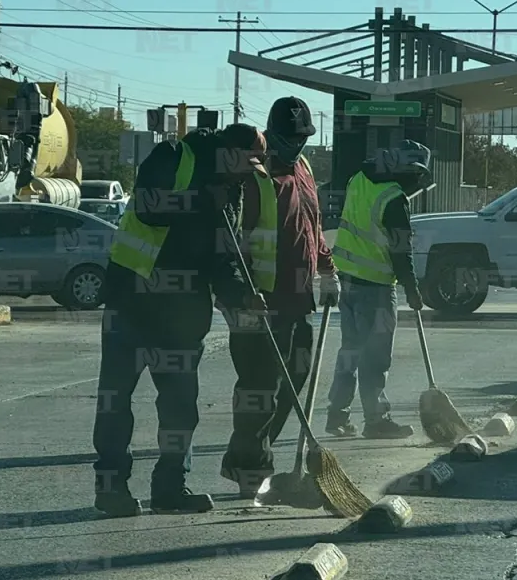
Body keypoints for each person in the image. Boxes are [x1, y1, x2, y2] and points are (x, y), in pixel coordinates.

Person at [92, 123, 270, 517]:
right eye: (247, 163)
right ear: (228, 151)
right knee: (115, 399)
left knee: (179, 406)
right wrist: (205, 200)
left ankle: (170, 487)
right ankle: (111, 488)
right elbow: (149, 207)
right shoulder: (172, 157)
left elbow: (224, 260)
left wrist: (242, 294)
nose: (248, 173)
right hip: (132, 302)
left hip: (182, 315)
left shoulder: (234, 194)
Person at [220, 96, 341, 498]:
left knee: (296, 376)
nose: (296, 144)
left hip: (298, 296)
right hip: (259, 298)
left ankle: (246, 457)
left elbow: (312, 225)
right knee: (260, 386)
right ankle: (252, 471)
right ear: (272, 133)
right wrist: (239, 293)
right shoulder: (253, 176)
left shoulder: (303, 169)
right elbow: (231, 240)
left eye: (302, 136)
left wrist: (327, 270)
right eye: (288, 137)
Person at [325, 139, 435, 440]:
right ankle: (377, 420)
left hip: (346, 279)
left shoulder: (358, 179)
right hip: (375, 287)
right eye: (416, 174)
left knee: (350, 350)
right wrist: (412, 289)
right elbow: (401, 253)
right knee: (375, 357)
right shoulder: (394, 198)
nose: (416, 182)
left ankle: (337, 414)